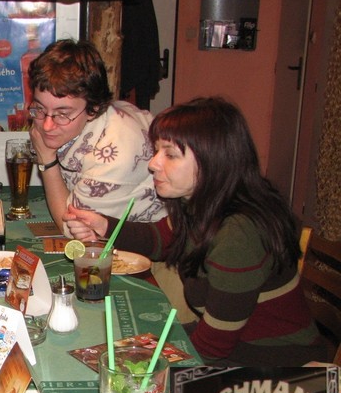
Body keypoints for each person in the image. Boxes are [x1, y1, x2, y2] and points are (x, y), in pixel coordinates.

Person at [65, 97, 323, 366]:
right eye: (156, 151)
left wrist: (147, 366)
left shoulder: (238, 233)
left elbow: (213, 347)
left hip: (274, 368)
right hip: (235, 347)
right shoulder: (203, 205)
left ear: (213, 159)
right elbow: (164, 240)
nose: (153, 163)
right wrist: (104, 226)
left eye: (171, 154)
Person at [27, 39, 165, 233]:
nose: (47, 126)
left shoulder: (114, 155)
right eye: (40, 108)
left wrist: (47, 161)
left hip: (151, 254)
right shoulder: (91, 117)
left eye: (63, 114)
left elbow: (74, 230)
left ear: (93, 108)